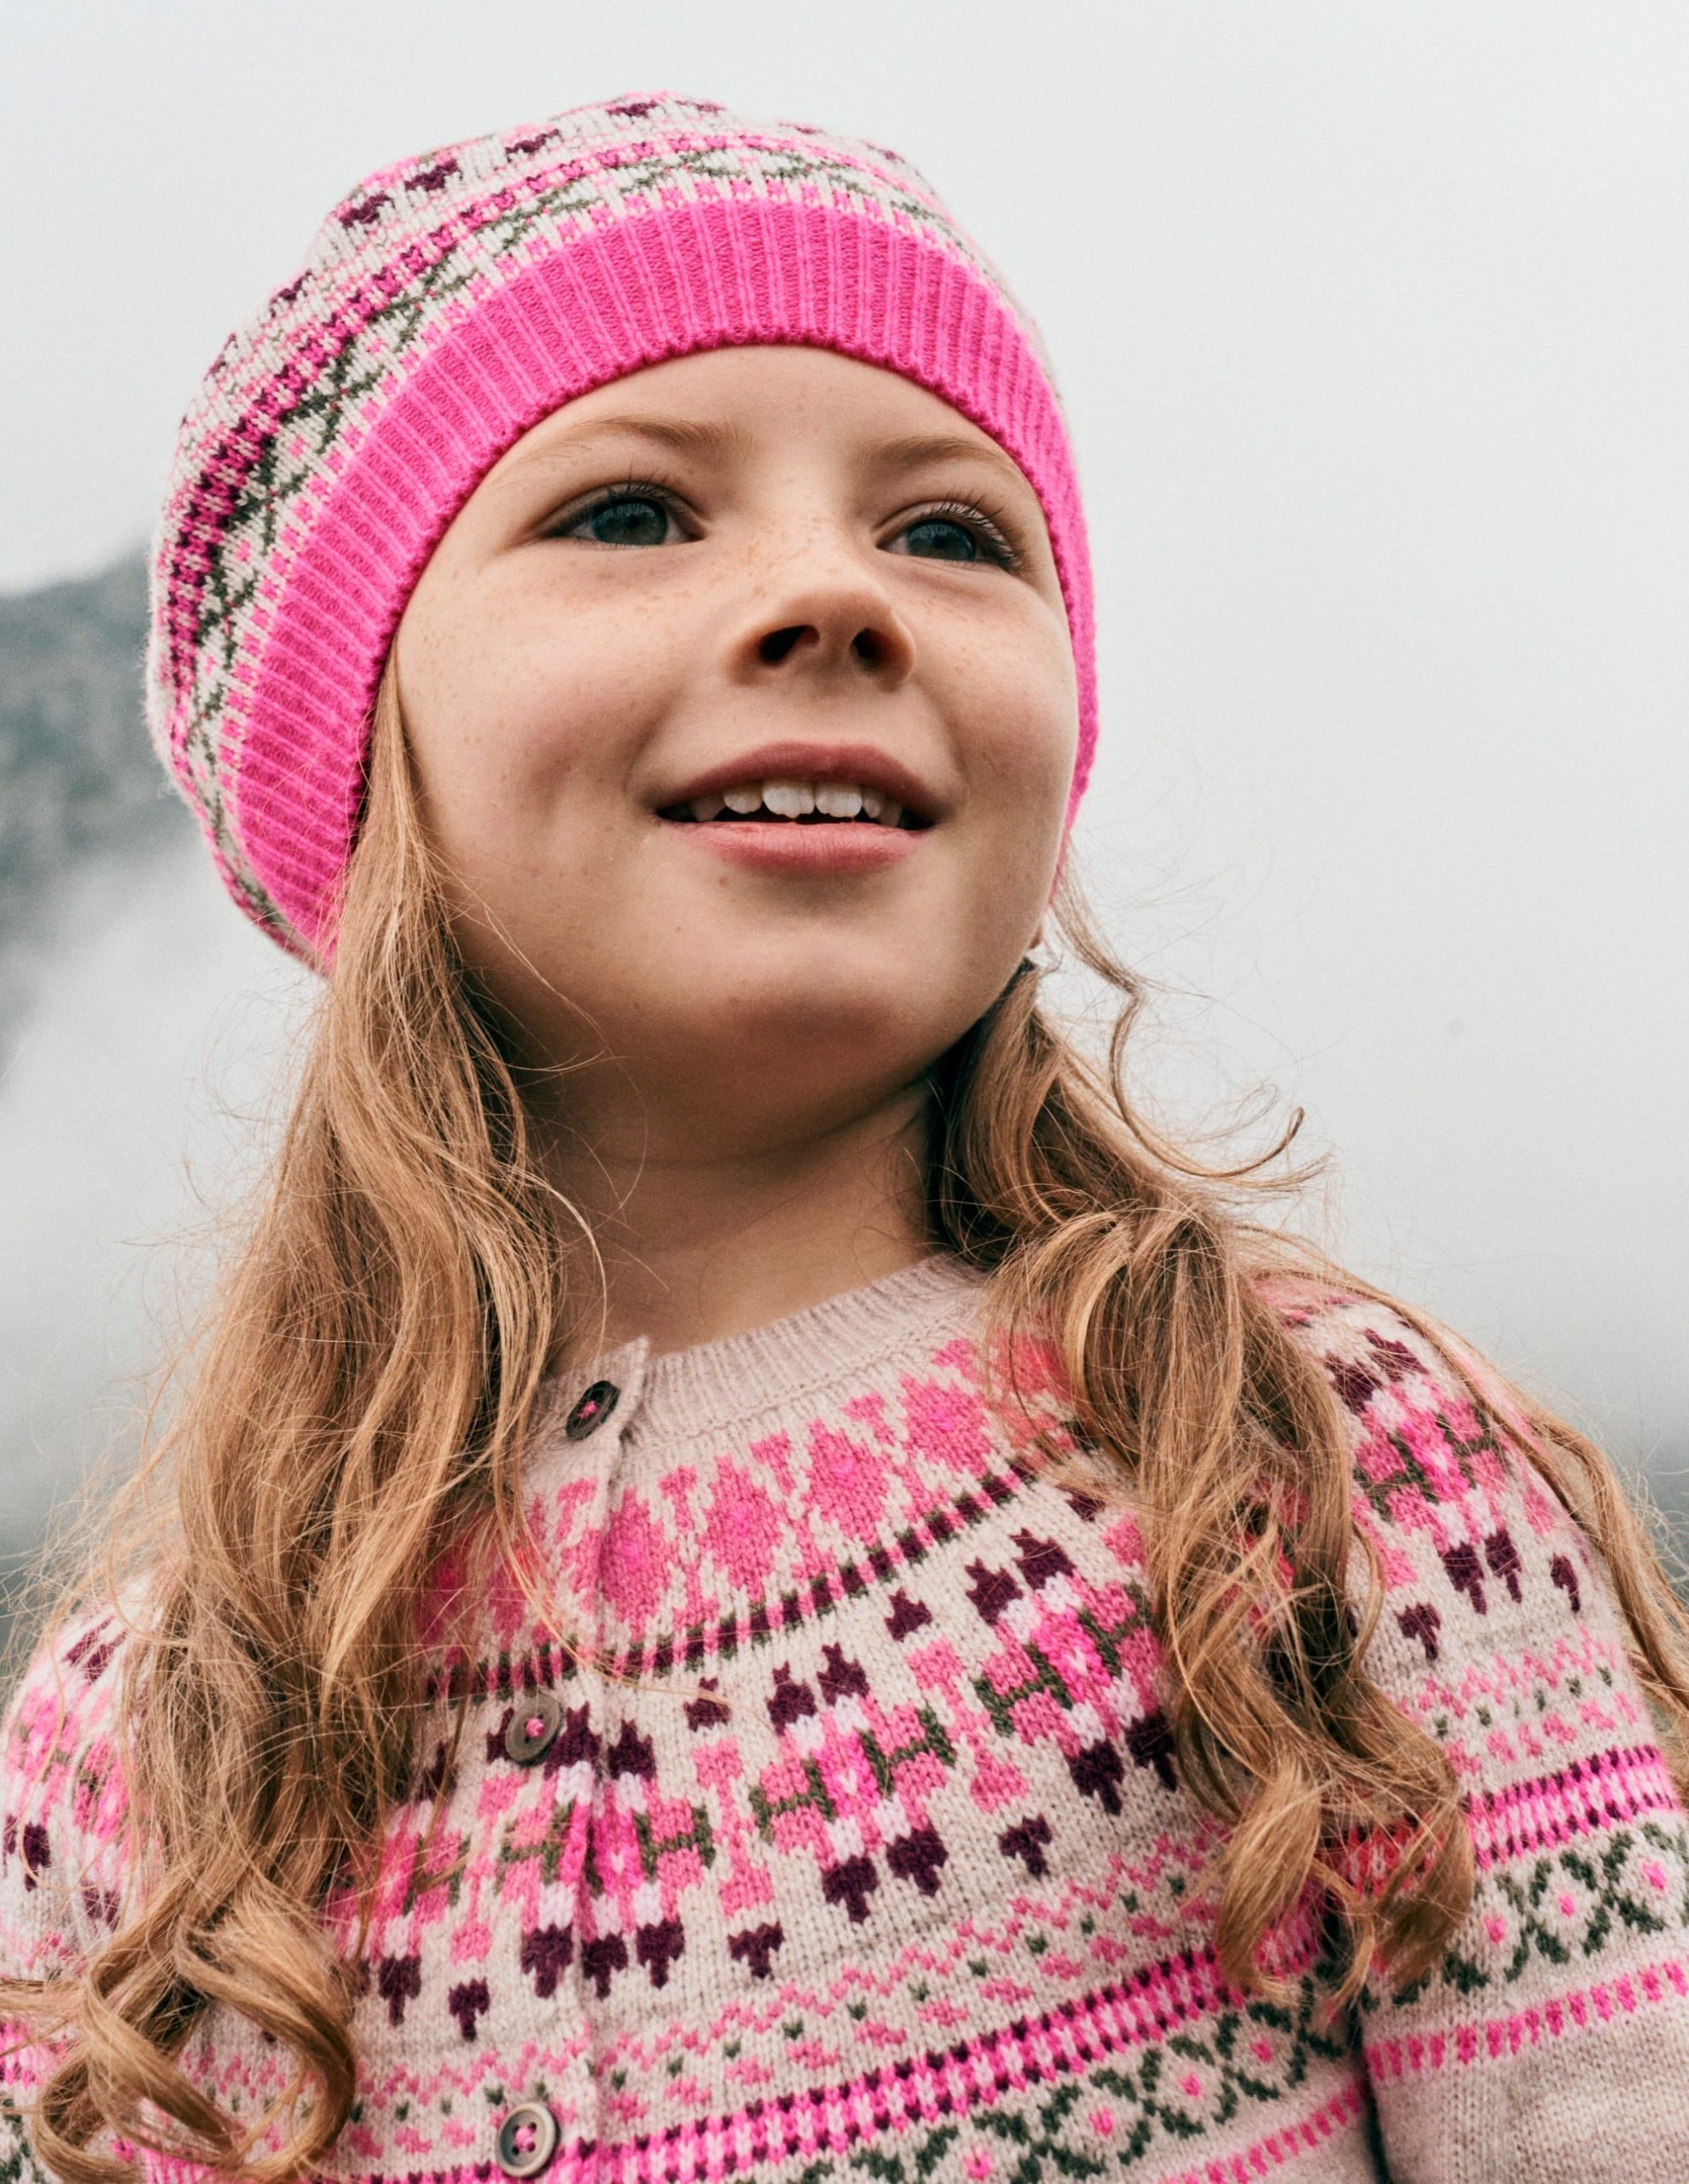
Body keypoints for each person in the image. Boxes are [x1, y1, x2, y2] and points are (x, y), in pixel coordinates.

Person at [1, 91, 1686, 2184]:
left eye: (949, 531)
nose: (831, 594)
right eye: (630, 514)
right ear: (358, 752)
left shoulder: (1327, 1481)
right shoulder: (137, 1756)